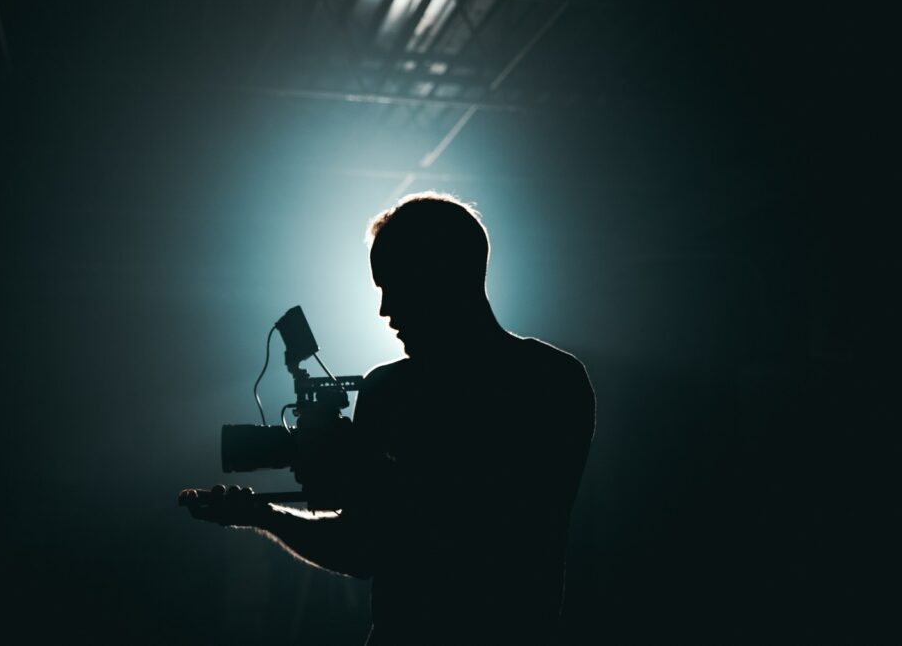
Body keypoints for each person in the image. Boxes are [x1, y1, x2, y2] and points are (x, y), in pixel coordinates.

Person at [182, 193, 596, 645]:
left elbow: (498, 525)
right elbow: (362, 547)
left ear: (443, 274)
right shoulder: (396, 388)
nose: (384, 311)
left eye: (393, 285)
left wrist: (363, 465)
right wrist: (264, 515)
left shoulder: (548, 382)